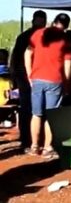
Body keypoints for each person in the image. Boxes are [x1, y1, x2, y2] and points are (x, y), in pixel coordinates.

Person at [24, 13, 71, 159]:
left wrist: (29, 74)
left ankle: (34, 146)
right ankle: (48, 147)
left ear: (53, 21)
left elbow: (27, 53)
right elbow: (67, 65)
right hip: (55, 80)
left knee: (36, 114)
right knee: (51, 116)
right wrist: (67, 83)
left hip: (37, 78)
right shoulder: (65, 40)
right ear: (66, 26)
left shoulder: (38, 34)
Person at [9, 10, 46, 149]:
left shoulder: (32, 36)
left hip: (33, 76)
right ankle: (27, 138)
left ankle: (30, 138)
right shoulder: (27, 37)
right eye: (40, 21)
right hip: (26, 76)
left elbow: (14, 58)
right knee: (29, 108)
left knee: (31, 108)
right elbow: (16, 57)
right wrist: (14, 74)